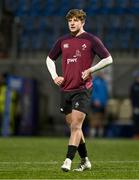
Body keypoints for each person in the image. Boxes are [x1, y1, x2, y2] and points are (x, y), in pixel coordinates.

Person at [46, 9, 113, 172]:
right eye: (70, 20)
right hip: (66, 88)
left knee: (76, 125)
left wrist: (91, 70)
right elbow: (49, 59)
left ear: (83, 22)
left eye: (76, 20)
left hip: (82, 88)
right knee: (74, 127)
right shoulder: (63, 40)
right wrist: (55, 76)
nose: (72, 23)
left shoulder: (91, 40)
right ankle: (85, 161)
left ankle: (68, 160)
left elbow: (109, 59)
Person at [89, 71, 109, 137]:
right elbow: (93, 91)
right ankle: (93, 134)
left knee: (102, 120)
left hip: (103, 104)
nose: (102, 74)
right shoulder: (94, 81)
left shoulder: (104, 82)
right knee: (94, 119)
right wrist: (95, 99)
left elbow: (105, 93)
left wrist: (105, 102)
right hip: (96, 103)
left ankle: (101, 134)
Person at [130, 70, 139, 139]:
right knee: (136, 121)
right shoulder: (133, 86)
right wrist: (134, 107)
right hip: (136, 107)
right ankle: (136, 135)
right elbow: (132, 97)